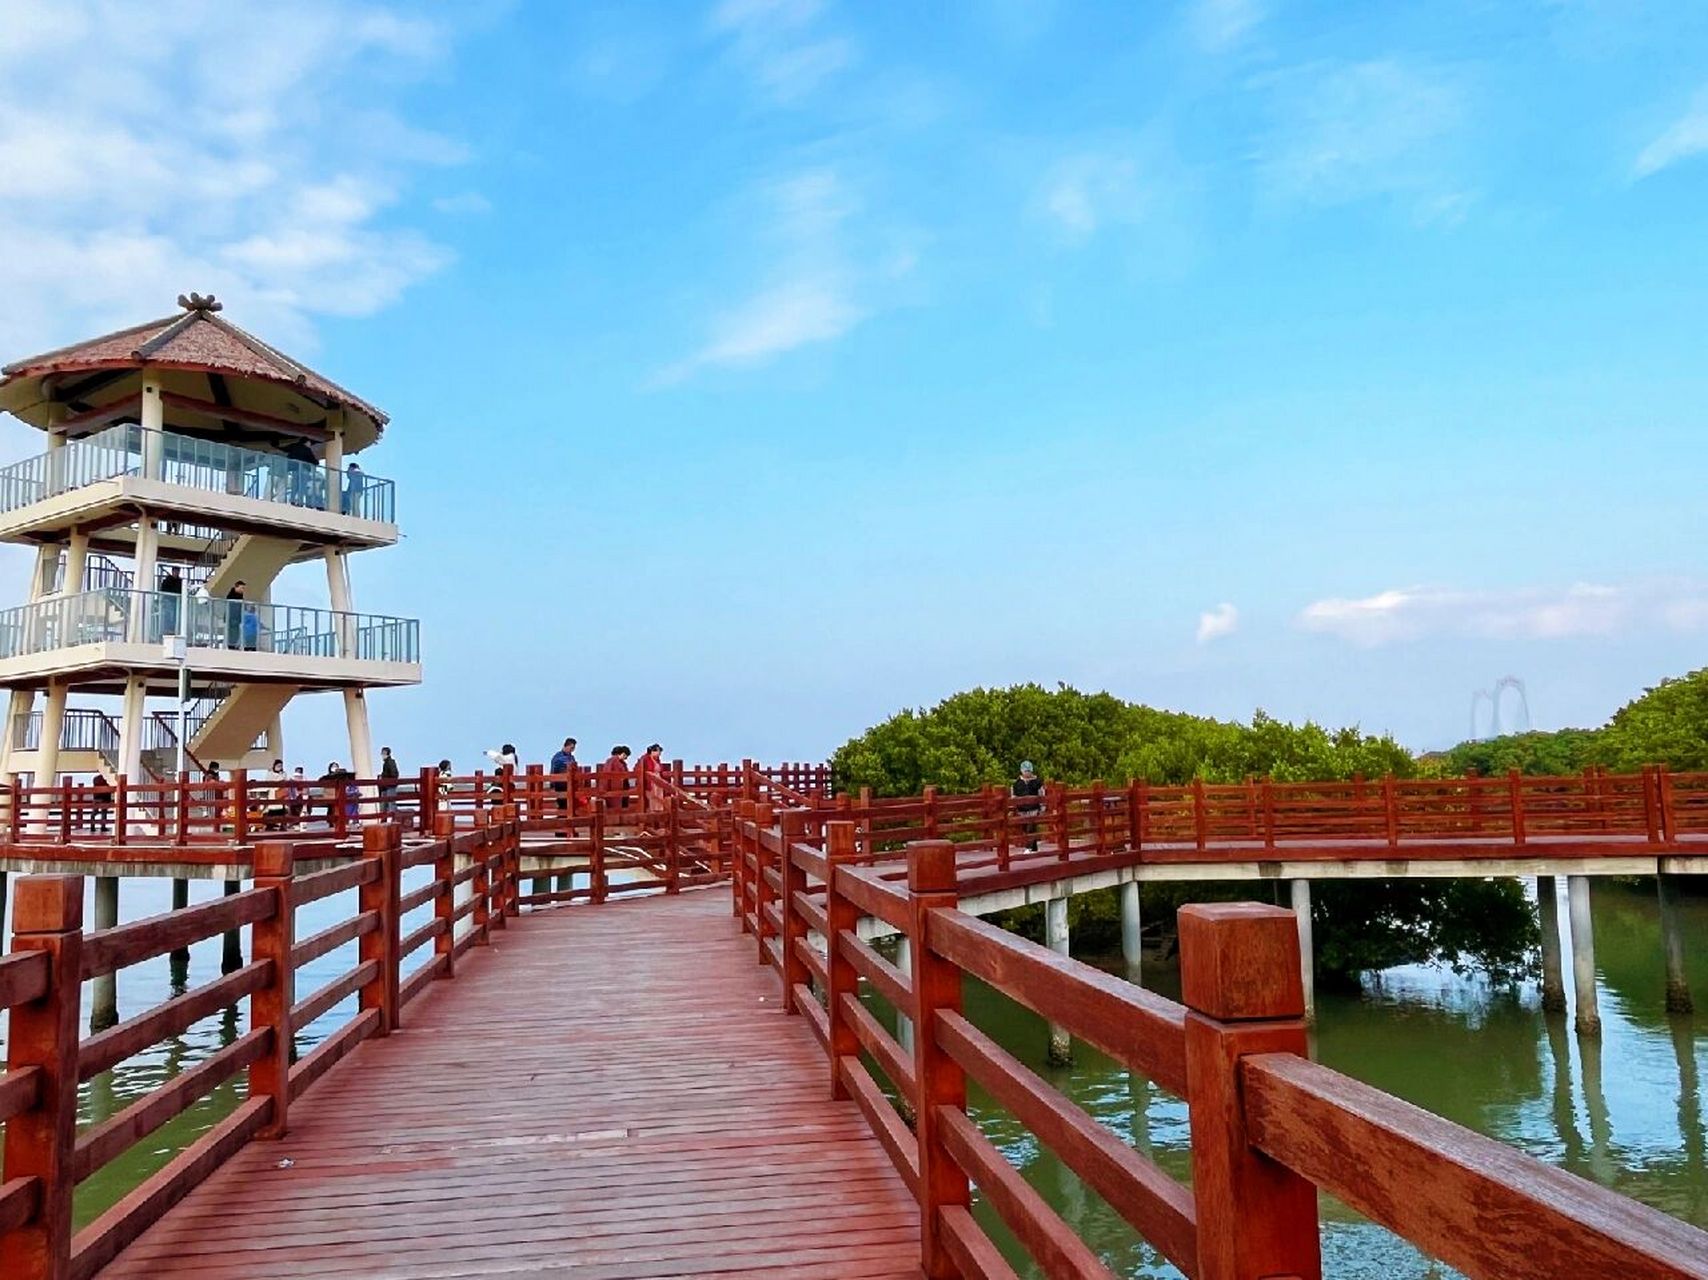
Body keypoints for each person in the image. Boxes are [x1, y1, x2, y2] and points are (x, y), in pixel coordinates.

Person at [1013, 760, 1045, 852]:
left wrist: (1042, 808)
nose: (1027, 773)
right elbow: (1014, 797)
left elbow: (1042, 795)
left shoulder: (1037, 782)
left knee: (1031, 827)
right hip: (1022, 810)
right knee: (1025, 829)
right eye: (1025, 771)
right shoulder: (1017, 783)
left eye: (1029, 771)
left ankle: (1028, 847)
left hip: (1034, 809)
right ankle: (1034, 847)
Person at [549, 737, 578, 820]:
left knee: (570, 806)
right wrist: (552, 785)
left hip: (571, 786)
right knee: (562, 805)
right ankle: (561, 829)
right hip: (561, 785)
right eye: (572, 748)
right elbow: (553, 771)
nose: (572, 750)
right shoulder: (557, 757)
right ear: (567, 746)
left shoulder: (571, 758)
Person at [637, 743, 667, 812]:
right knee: (652, 796)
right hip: (650, 781)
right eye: (658, 752)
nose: (659, 754)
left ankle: (658, 810)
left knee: (659, 795)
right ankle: (652, 811)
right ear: (653, 751)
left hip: (658, 780)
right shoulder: (645, 759)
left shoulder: (657, 760)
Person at [602, 745, 631, 810]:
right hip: (615, 787)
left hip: (618, 787)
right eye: (626, 756)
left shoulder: (614, 761)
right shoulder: (614, 761)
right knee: (616, 805)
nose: (626, 758)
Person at [159, 567, 184, 636]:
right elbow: (163, 590)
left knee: (176, 616)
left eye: (178, 571)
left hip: (177, 602)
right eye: (175, 571)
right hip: (169, 601)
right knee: (169, 615)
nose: (176, 573)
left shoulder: (180, 581)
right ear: (172, 571)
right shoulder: (167, 580)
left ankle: (174, 629)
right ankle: (168, 630)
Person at [378, 745, 400, 815]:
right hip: (387, 786)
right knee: (386, 804)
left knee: (390, 804)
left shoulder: (390, 762)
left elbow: (394, 774)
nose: (382, 755)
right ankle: (386, 820)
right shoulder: (387, 763)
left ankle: (392, 820)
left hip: (390, 786)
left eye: (383, 753)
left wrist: (385, 778)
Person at [225, 581, 247, 649]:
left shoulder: (240, 595)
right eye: (241, 588)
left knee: (236, 633)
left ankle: (235, 645)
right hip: (231, 617)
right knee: (231, 632)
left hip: (237, 618)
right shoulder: (231, 595)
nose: (242, 590)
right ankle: (230, 645)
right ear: (236, 587)